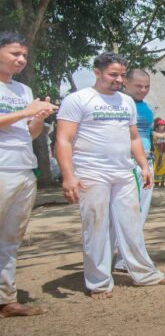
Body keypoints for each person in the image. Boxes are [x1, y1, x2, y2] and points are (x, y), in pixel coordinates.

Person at [56, 52, 165, 299]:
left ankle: (144, 273)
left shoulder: (126, 102)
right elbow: (63, 139)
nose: (118, 79)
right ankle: (98, 282)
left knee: (131, 225)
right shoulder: (78, 100)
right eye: (113, 74)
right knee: (96, 227)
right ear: (97, 72)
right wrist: (68, 176)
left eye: (121, 75)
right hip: (91, 173)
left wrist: (143, 165)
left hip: (124, 172)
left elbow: (133, 137)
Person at [0, 31, 58, 317]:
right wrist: (26, 111)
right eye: (14, 53)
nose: (21, 60)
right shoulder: (22, 99)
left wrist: (37, 119)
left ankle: (6, 298)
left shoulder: (22, 90)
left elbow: (29, 133)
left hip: (23, 168)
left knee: (11, 237)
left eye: (24, 55)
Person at [112, 68, 155, 272]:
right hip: (126, 163)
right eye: (138, 86)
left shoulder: (145, 107)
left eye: (146, 86)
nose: (143, 90)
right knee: (124, 213)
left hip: (146, 163)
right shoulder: (117, 103)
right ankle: (123, 258)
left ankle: (125, 256)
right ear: (125, 83)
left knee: (140, 212)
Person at [152, 118, 165, 187]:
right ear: (158, 126)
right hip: (157, 152)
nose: (163, 127)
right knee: (157, 166)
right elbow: (154, 142)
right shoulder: (154, 133)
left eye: (164, 125)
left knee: (164, 167)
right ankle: (156, 182)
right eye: (161, 125)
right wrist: (161, 142)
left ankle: (162, 182)